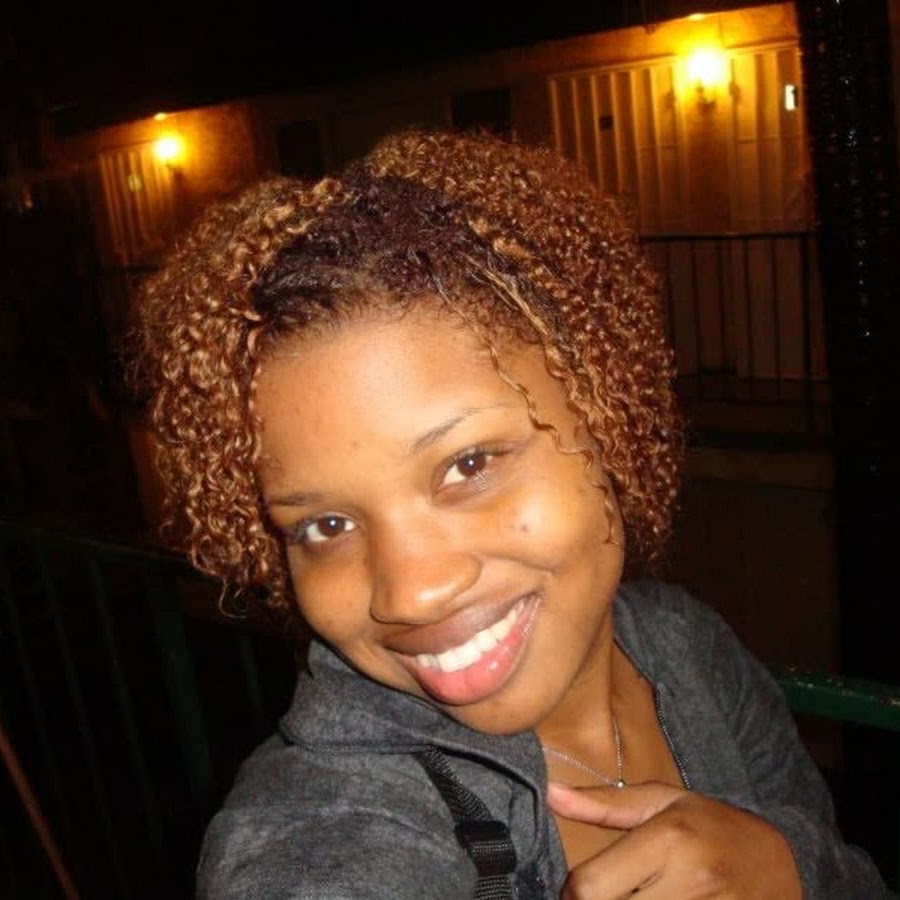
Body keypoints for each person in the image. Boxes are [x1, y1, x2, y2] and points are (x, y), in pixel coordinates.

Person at [133, 129, 890, 898]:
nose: (410, 594)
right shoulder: (324, 825)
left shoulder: (686, 647)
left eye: (468, 465)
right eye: (326, 526)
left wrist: (793, 866)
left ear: (605, 417)